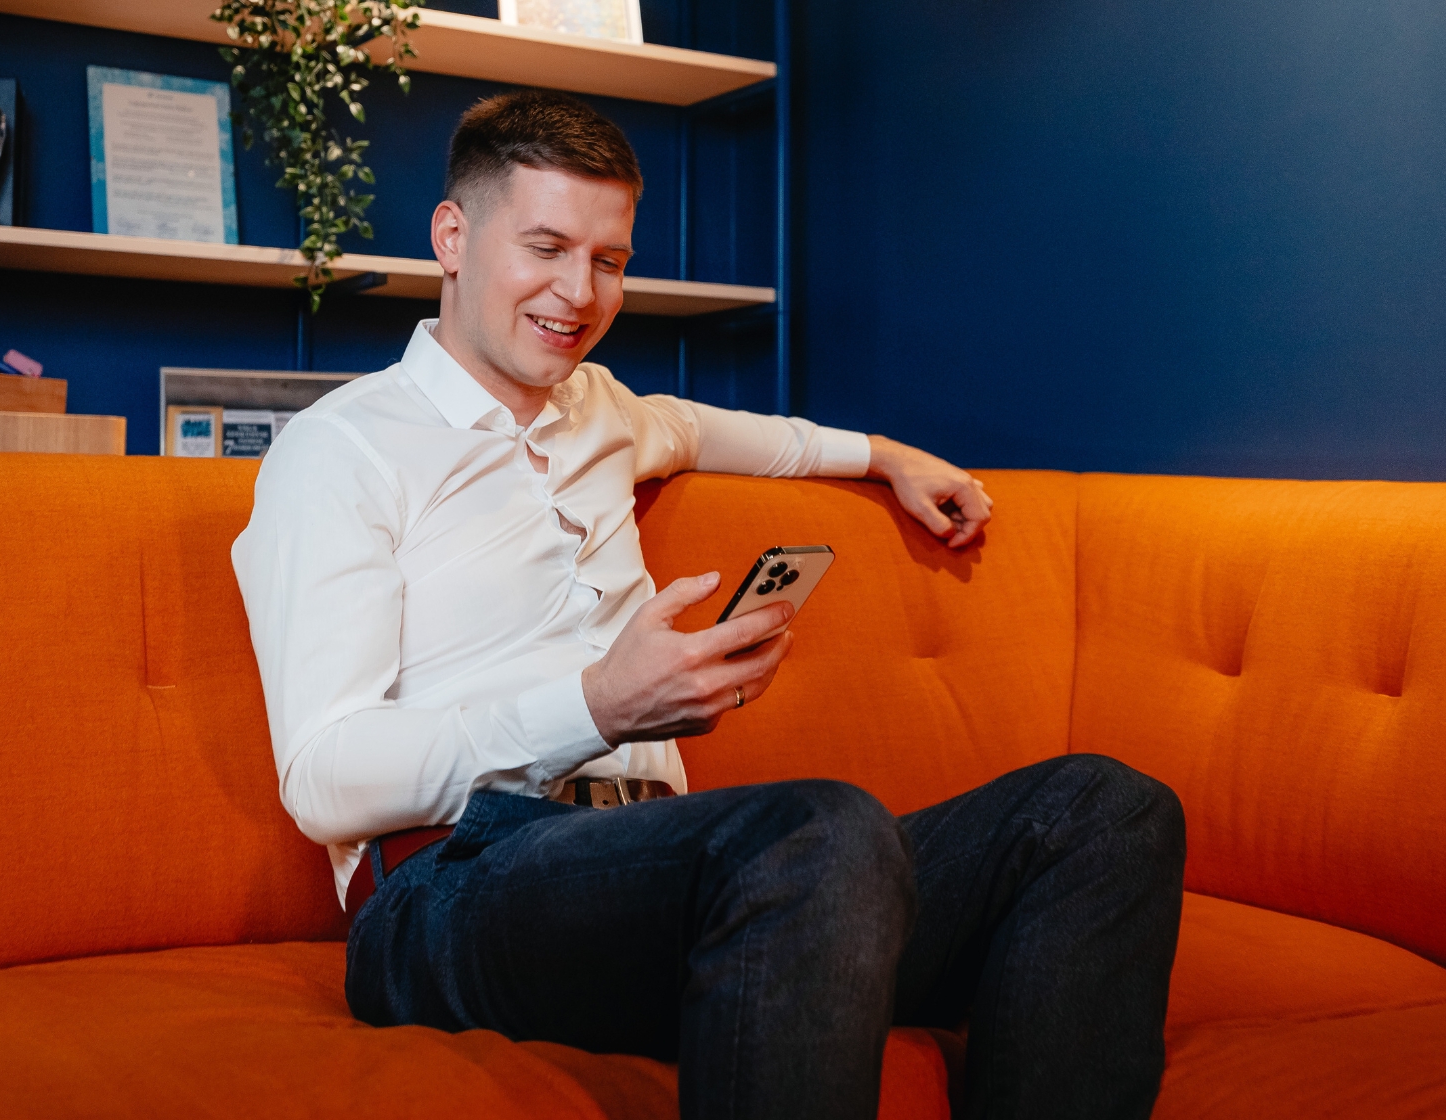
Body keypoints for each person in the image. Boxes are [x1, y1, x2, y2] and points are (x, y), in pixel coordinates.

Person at [231, 89, 1185, 1120]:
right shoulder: (341, 451)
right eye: (545, 248)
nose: (578, 293)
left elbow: (729, 433)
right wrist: (597, 705)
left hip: (664, 866)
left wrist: (886, 457)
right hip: (446, 887)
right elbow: (324, 779)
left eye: (609, 260)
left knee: (1103, 811)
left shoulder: (603, 411)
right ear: (452, 237)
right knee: (820, 831)